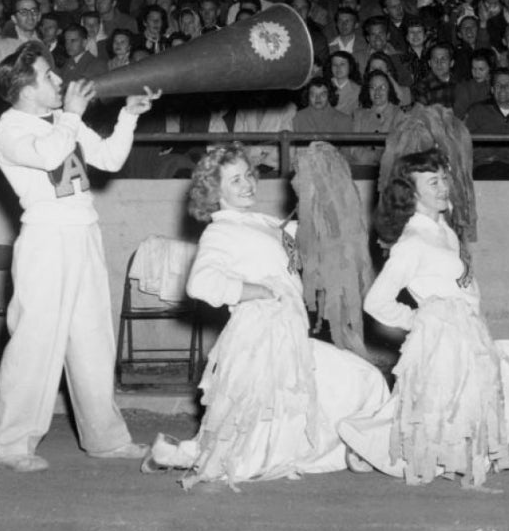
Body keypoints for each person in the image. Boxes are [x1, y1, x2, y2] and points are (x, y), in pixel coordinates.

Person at [141, 144, 389, 489]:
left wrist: (320, 185)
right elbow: (201, 283)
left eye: (248, 175)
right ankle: (352, 448)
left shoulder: (263, 222)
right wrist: (253, 290)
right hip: (261, 339)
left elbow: (310, 234)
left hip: (289, 332)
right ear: (215, 191)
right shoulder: (220, 231)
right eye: (235, 180)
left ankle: (177, 453)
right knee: (256, 441)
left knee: (346, 385)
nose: (247, 184)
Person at [338, 149, 509, 489]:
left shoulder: (444, 229)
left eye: (444, 178)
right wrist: (421, 320)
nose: (444, 186)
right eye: (433, 182)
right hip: (441, 340)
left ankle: (475, 448)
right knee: (431, 411)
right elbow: (376, 301)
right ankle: (363, 445)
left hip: (470, 333)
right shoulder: (412, 242)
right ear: (412, 192)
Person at [0, 41, 161, 473]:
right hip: (46, 239)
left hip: (85, 234)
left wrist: (129, 116)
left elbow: (110, 158)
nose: (60, 80)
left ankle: (105, 438)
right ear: (26, 89)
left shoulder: (61, 120)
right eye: (49, 76)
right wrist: (72, 115)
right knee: (34, 343)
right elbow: (48, 154)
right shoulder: (9, 128)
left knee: (93, 340)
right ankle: (11, 445)